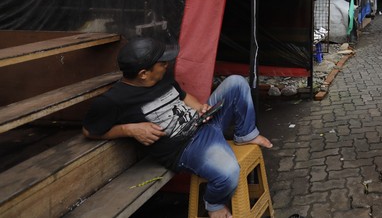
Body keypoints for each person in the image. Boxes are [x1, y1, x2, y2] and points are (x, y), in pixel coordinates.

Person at [82, 37, 272, 218]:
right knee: (229, 174)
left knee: (237, 83)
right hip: (186, 147)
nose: (167, 65)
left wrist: (199, 107)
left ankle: (245, 134)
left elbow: (183, 96)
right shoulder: (113, 101)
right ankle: (213, 204)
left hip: (204, 122)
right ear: (143, 74)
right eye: (161, 63)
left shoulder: (160, 78)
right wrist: (129, 129)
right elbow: (89, 131)